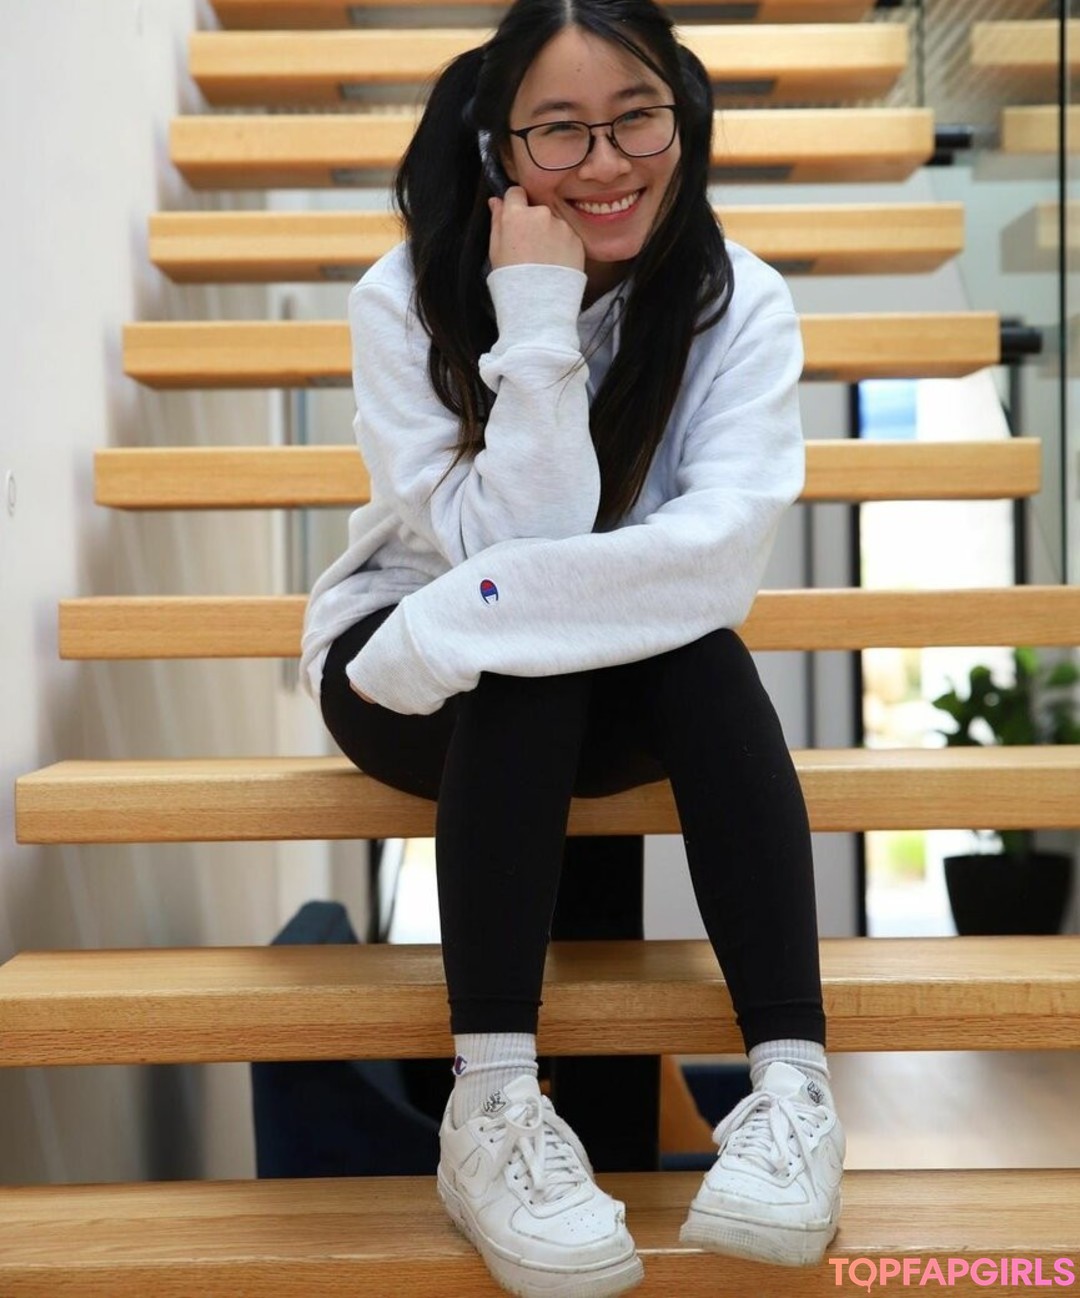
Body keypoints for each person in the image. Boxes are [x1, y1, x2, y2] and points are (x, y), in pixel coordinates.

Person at [300, 0, 845, 1292]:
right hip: (400, 668)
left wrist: (468, 615)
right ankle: (490, 1102)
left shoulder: (739, 303)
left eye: (635, 118)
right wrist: (535, 309)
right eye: (560, 131)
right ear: (499, 147)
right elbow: (515, 536)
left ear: (683, 117)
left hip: (499, 643)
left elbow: (715, 562)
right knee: (539, 662)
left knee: (694, 653)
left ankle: (794, 1096)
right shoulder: (403, 299)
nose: (606, 164)